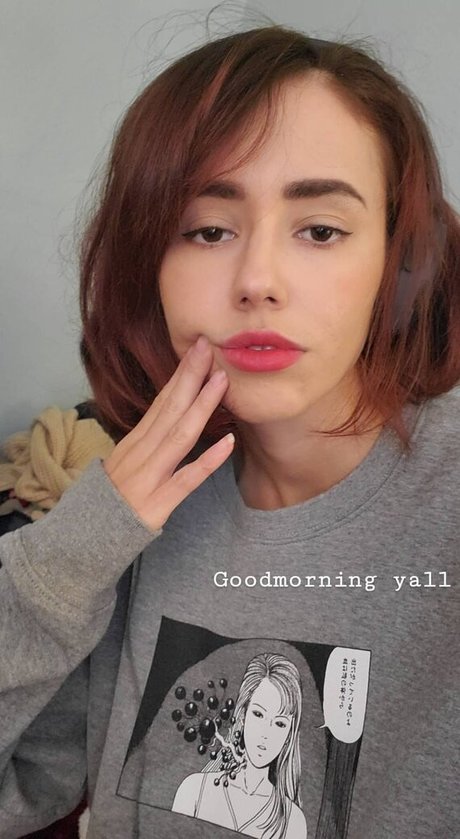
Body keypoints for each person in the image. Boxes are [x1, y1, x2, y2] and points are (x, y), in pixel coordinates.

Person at [1, 19, 459, 839]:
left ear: (396, 260)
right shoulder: (128, 519)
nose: (257, 280)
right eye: (209, 230)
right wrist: (70, 555)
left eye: (320, 230)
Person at [172, 652, 306, 838]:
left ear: (289, 736)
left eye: (280, 724)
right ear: (242, 715)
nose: (266, 733)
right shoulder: (194, 790)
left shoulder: (292, 821)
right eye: (258, 715)